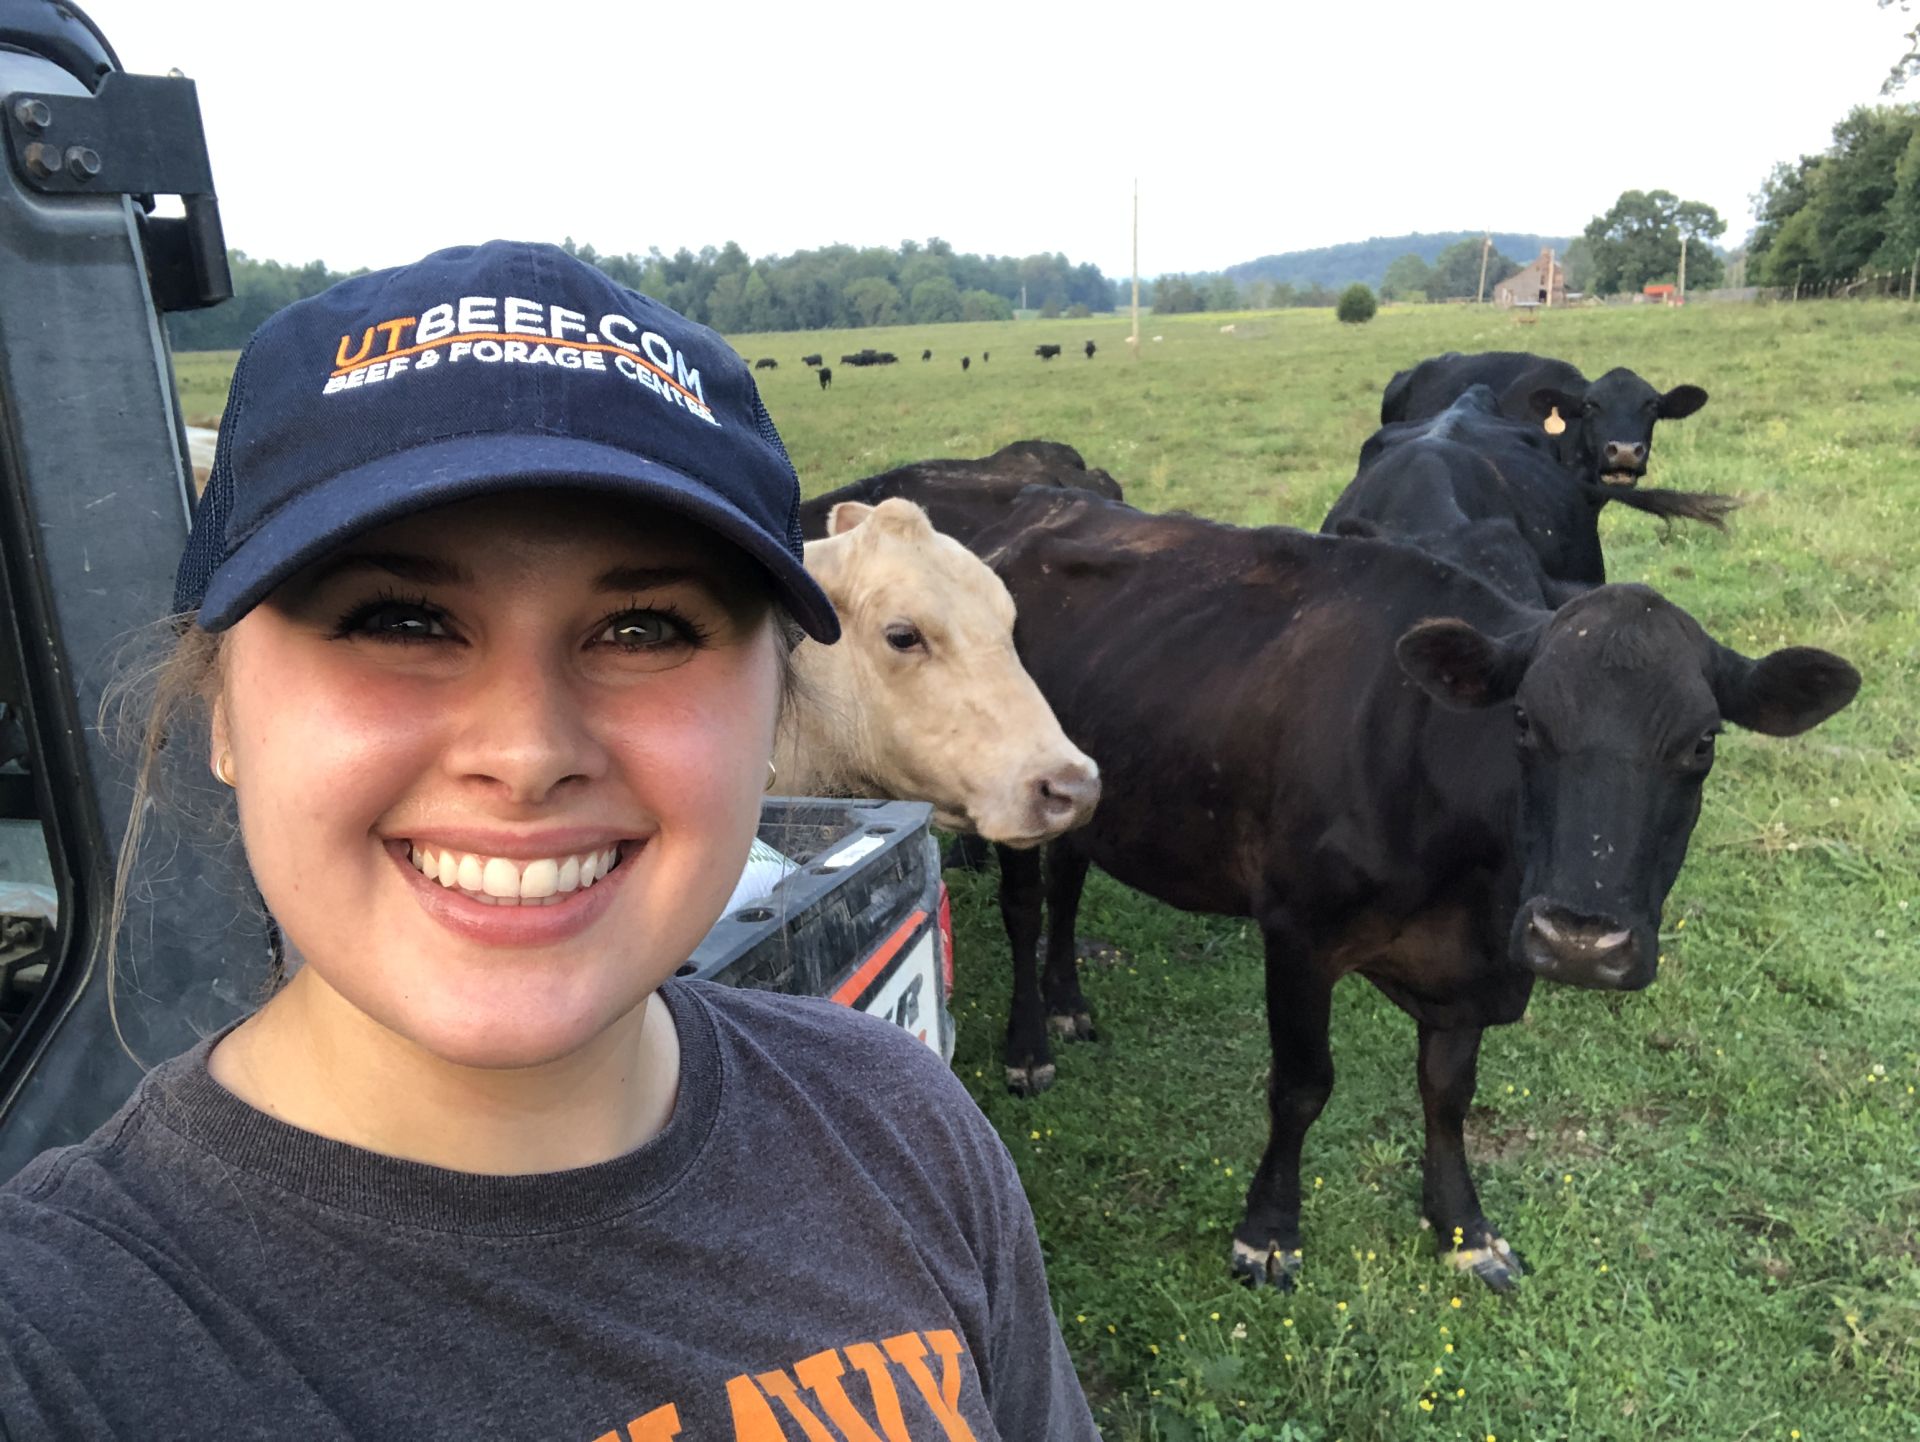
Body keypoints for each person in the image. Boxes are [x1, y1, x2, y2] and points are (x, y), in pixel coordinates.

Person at [0, 241, 1100, 1441]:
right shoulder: (62, 1340)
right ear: (224, 711)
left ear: (776, 704)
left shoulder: (905, 1129)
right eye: (400, 618)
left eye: (642, 627)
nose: (526, 750)